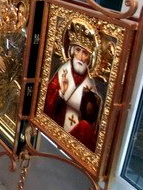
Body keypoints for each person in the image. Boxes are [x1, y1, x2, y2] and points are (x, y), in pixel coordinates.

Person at [43, 19, 102, 151]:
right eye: (78, 50)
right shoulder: (63, 73)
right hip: (57, 127)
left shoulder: (90, 83)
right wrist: (61, 93)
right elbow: (47, 104)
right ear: (72, 51)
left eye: (85, 53)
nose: (80, 57)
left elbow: (93, 121)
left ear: (90, 58)